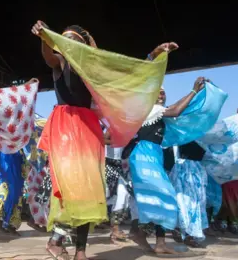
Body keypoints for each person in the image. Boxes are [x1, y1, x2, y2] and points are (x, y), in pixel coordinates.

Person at [31, 20, 171, 260]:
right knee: (70, 187)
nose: (68, 42)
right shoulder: (61, 61)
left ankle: (80, 252)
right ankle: (56, 240)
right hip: (66, 127)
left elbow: (128, 73)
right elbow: (48, 57)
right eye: (64, 39)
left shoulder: (95, 72)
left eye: (74, 39)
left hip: (88, 129)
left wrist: (153, 55)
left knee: (90, 189)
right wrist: (44, 38)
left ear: (85, 46)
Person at [124, 79, 208, 255]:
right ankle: (139, 233)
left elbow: (175, 108)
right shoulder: (150, 110)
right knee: (165, 196)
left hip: (153, 155)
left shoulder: (158, 113)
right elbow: (176, 110)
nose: (162, 94)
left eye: (164, 92)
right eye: (158, 92)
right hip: (143, 155)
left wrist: (195, 96)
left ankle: (157, 242)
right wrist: (193, 91)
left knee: (161, 199)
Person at [0, 150, 27, 235]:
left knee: (17, 187)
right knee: (6, 183)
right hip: (7, 149)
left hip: (19, 150)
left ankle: (11, 223)